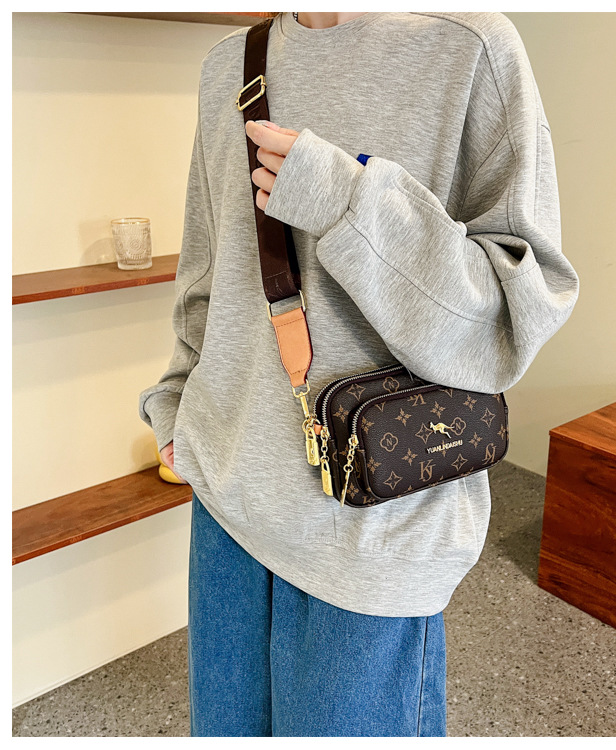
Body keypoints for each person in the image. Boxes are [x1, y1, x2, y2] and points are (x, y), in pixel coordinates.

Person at [138, 11, 579, 737]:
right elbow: (207, 271)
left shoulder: (470, 48)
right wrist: (176, 400)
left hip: (375, 529)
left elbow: (513, 317)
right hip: (226, 508)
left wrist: (350, 203)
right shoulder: (229, 65)